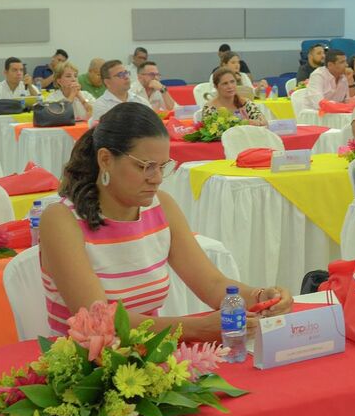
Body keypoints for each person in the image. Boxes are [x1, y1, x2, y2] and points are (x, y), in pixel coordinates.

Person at [39, 102, 292, 337]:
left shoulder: (161, 206)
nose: (157, 178)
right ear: (105, 160)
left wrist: (261, 297)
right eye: (145, 166)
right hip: (81, 360)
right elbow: (99, 320)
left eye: (162, 166)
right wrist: (196, 328)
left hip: (148, 353)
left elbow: (212, 284)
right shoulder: (61, 220)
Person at [88, 60, 151, 126]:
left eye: (126, 73)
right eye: (120, 75)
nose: (126, 77)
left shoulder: (140, 101)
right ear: (107, 82)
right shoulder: (101, 105)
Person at [200, 67, 266, 126]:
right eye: (225, 83)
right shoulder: (210, 108)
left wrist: (260, 123)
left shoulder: (246, 103)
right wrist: (245, 123)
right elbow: (208, 130)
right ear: (216, 86)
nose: (230, 86)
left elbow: (263, 122)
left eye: (232, 82)